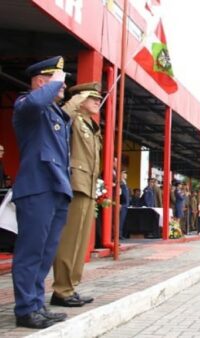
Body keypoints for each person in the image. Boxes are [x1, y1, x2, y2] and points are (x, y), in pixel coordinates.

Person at [11, 56, 72, 328]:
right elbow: (37, 101)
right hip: (37, 188)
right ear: (40, 81)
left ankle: (36, 303)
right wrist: (53, 83)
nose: (64, 85)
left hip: (57, 188)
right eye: (58, 79)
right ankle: (25, 309)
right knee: (31, 251)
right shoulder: (27, 104)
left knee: (46, 253)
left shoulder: (55, 113)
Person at [51, 82, 102, 309]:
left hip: (89, 186)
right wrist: (76, 100)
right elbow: (62, 116)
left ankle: (71, 287)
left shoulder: (91, 126)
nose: (97, 102)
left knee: (81, 243)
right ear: (80, 99)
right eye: (92, 97)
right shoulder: (72, 119)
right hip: (75, 185)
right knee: (69, 240)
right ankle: (61, 289)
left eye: (99, 99)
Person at [119, 170, 130, 239]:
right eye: (124, 173)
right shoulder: (121, 183)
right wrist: (120, 203)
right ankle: (119, 234)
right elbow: (120, 194)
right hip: (122, 204)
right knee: (120, 220)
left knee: (123, 220)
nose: (126, 174)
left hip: (126, 204)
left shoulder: (124, 183)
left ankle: (121, 234)